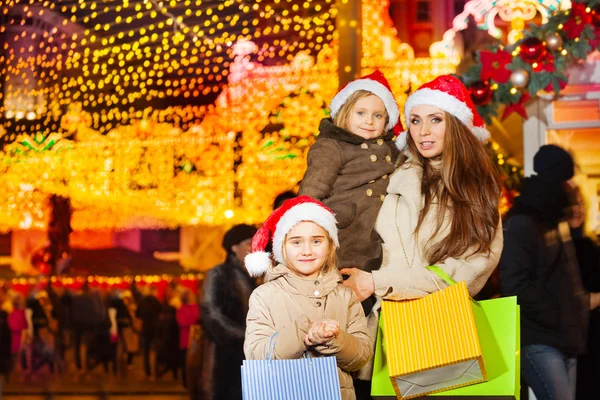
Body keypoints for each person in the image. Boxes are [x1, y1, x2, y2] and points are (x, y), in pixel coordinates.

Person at [341, 75, 503, 389]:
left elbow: (465, 273)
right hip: (375, 334)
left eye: (435, 119)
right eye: (415, 120)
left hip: (440, 336)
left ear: (456, 124)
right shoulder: (390, 177)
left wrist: (377, 281)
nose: (423, 131)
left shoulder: (476, 190)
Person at [244, 196, 373, 400]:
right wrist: (304, 333)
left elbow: (361, 356)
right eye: (296, 242)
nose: (307, 251)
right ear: (281, 248)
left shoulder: (345, 295)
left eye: (316, 241)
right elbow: (257, 354)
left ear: (330, 245)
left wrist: (335, 339)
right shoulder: (264, 296)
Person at [499, 145, 600, 400]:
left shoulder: (553, 219)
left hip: (564, 337)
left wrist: (571, 313)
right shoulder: (524, 221)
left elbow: (568, 278)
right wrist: (559, 312)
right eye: (566, 179)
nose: (570, 187)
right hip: (539, 338)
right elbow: (515, 285)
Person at [298, 70, 400, 312]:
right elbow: (312, 192)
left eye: (378, 115)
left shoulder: (392, 149)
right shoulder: (332, 146)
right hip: (346, 234)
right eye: (361, 113)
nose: (369, 121)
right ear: (345, 113)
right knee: (342, 301)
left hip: (378, 238)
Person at [200, 223, 258, 400]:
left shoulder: (255, 275)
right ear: (234, 247)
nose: (253, 248)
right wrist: (243, 335)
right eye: (249, 243)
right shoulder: (217, 274)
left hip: (251, 355)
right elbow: (211, 314)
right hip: (226, 356)